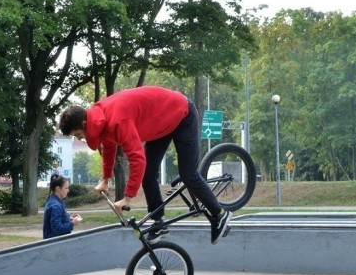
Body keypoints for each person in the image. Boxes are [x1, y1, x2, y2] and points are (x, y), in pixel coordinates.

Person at [57, 86, 232, 244]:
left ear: (85, 124)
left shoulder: (117, 120)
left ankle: (219, 214)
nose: (80, 139)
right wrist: (105, 178)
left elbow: (137, 159)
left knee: (188, 174)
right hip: (161, 123)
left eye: (78, 134)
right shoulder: (101, 119)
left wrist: (127, 198)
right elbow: (109, 145)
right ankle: (159, 223)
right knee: (149, 172)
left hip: (182, 113)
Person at [43, 174, 82, 239]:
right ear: (58, 188)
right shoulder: (55, 206)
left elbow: (58, 222)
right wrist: (72, 223)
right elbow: (57, 229)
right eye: (66, 188)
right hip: (55, 245)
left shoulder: (54, 201)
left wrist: (69, 219)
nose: (68, 190)